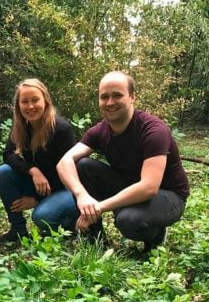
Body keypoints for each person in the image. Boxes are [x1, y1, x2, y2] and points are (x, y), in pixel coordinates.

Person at [57, 71, 189, 251]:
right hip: (129, 185)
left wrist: (99, 207)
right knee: (83, 166)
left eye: (117, 95)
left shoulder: (153, 130)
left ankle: (156, 234)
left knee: (128, 220)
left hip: (168, 195)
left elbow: (149, 187)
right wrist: (82, 196)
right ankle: (94, 240)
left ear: (132, 97)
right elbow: (64, 162)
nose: (110, 102)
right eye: (104, 97)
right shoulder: (100, 130)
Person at [0, 78, 78, 243]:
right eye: (24, 101)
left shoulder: (61, 129)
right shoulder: (22, 126)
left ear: (45, 101)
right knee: (3, 172)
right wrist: (32, 170)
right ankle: (18, 230)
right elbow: (8, 154)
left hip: (64, 188)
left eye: (35, 100)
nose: (30, 106)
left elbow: (71, 172)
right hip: (39, 184)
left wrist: (36, 200)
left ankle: (70, 225)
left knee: (41, 216)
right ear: (18, 105)